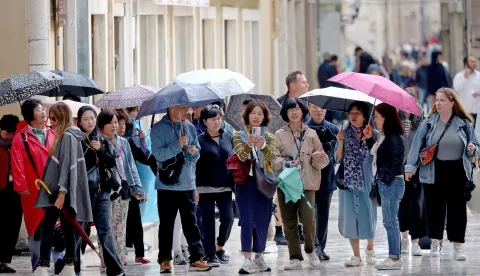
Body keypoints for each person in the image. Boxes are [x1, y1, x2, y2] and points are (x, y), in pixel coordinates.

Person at [405, 88, 478, 261]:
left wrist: (473, 149)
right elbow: (416, 146)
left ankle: (457, 247)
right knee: (434, 208)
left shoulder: (464, 124)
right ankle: (435, 243)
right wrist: (410, 168)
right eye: (437, 100)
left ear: (452, 102)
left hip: (458, 170)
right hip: (434, 170)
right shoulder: (428, 123)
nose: (438, 103)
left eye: (442, 100)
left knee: (457, 210)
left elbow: (475, 145)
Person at [32, 102, 93, 276]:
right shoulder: (71, 136)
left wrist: (62, 192)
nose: (51, 123)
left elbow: (67, 166)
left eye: (53, 119)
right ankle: (69, 266)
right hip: (62, 192)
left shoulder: (67, 136)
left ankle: (43, 267)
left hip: (59, 193)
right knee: (67, 229)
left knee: (47, 228)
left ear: (61, 118)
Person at [151, 105, 211, 273]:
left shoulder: (190, 127)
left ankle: (197, 258)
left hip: (187, 183)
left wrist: (193, 151)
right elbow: (158, 155)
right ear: (172, 108)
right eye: (183, 108)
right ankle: (165, 260)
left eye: (187, 108)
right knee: (166, 224)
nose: (187, 111)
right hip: (166, 185)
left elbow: (196, 152)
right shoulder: (157, 129)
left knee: (191, 223)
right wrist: (177, 146)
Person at [274, 98, 328, 270]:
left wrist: (318, 157)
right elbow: (273, 160)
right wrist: (286, 163)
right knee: (289, 221)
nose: (295, 112)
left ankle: (311, 250)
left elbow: (323, 160)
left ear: (303, 112)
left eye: (297, 109)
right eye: (291, 110)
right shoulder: (278, 134)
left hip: (306, 185)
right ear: (286, 113)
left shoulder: (311, 134)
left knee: (309, 219)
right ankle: (295, 257)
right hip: (287, 184)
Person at [77, 106, 125, 276]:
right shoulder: (77, 141)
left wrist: (100, 150)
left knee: (105, 230)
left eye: (92, 118)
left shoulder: (102, 140)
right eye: (86, 119)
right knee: (80, 230)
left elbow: (111, 162)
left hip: (102, 191)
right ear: (79, 122)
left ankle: (115, 269)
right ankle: (73, 265)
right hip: (83, 193)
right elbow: (77, 166)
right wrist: (90, 150)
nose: (90, 122)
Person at [96, 110, 146, 267]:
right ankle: (106, 258)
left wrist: (137, 187)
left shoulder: (123, 142)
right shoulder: (97, 142)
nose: (114, 125)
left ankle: (119, 256)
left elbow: (131, 166)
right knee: (105, 226)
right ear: (101, 125)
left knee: (120, 226)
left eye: (116, 122)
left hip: (122, 189)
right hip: (103, 191)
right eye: (110, 122)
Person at [11, 99, 55, 271]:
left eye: (43, 109)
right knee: (35, 226)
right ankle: (38, 265)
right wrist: (21, 185)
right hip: (32, 189)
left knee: (56, 224)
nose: (43, 112)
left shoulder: (52, 133)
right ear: (30, 115)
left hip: (53, 187)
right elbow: (17, 163)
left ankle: (58, 262)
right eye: (38, 110)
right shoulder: (20, 138)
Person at [233, 100, 275, 274]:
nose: (256, 116)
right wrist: (248, 144)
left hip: (264, 183)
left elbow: (273, 157)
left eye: (260, 113)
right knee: (247, 221)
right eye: (253, 113)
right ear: (247, 115)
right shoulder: (238, 135)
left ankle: (259, 256)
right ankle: (247, 259)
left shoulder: (270, 137)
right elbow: (240, 156)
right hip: (245, 183)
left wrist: (263, 146)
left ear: (264, 117)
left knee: (262, 220)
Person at [335, 101, 378, 267]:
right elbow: (338, 158)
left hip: (367, 179)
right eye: (351, 112)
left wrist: (369, 139)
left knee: (369, 212)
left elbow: (377, 157)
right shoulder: (344, 132)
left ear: (365, 116)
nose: (353, 116)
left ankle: (370, 249)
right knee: (350, 215)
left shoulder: (373, 133)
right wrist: (340, 142)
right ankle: (356, 255)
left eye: (358, 113)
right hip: (348, 180)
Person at [364, 103, 405, 270]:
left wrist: (384, 179)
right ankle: (394, 256)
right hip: (386, 183)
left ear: (385, 118)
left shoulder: (393, 137)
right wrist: (368, 140)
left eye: (377, 116)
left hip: (391, 183)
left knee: (391, 221)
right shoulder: (383, 135)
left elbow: (397, 162)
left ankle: (394, 258)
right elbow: (377, 155)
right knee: (389, 221)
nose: (375, 119)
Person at [196, 105, 235, 267]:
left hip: (225, 187)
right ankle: (210, 254)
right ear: (205, 122)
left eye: (219, 118)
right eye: (212, 119)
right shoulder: (198, 141)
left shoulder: (228, 137)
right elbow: (194, 166)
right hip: (204, 189)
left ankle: (220, 247)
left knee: (228, 218)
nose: (217, 122)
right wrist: (195, 189)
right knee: (207, 222)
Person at [115, 111, 151, 265]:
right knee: (118, 222)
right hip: (114, 187)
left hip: (129, 186)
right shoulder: (103, 142)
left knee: (135, 220)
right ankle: (119, 254)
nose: (121, 127)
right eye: (118, 124)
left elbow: (144, 158)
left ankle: (139, 254)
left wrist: (143, 141)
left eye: (123, 124)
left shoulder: (127, 142)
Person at [306, 104, 339, 260]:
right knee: (311, 214)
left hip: (327, 177)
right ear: (309, 108)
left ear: (326, 110)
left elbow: (338, 157)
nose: (319, 110)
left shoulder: (334, 129)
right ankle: (314, 246)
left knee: (324, 214)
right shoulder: (304, 128)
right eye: (315, 107)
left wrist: (333, 143)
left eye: (322, 108)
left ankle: (321, 247)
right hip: (309, 177)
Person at [397, 94, 427, 257]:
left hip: (417, 169)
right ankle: (403, 239)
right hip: (399, 169)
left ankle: (415, 241)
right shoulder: (395, 120)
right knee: (402, 204)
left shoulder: (422, 121)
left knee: (416, 204)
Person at [0, 115, 21, 273]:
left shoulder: (18, 145)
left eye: (13, 133)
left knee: (13, 225)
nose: (10, 136)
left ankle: (5, 260)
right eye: (7, 133)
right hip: (0, 190)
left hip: (14, 190)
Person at [453, 55, 480, 121]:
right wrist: (465, 78)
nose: (474, 63)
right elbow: (456, 89)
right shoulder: (459, 76)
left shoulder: (479, 75)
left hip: (477, 110)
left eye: (475, 61)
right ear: (466, 64)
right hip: (465, 111)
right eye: (472, 62)